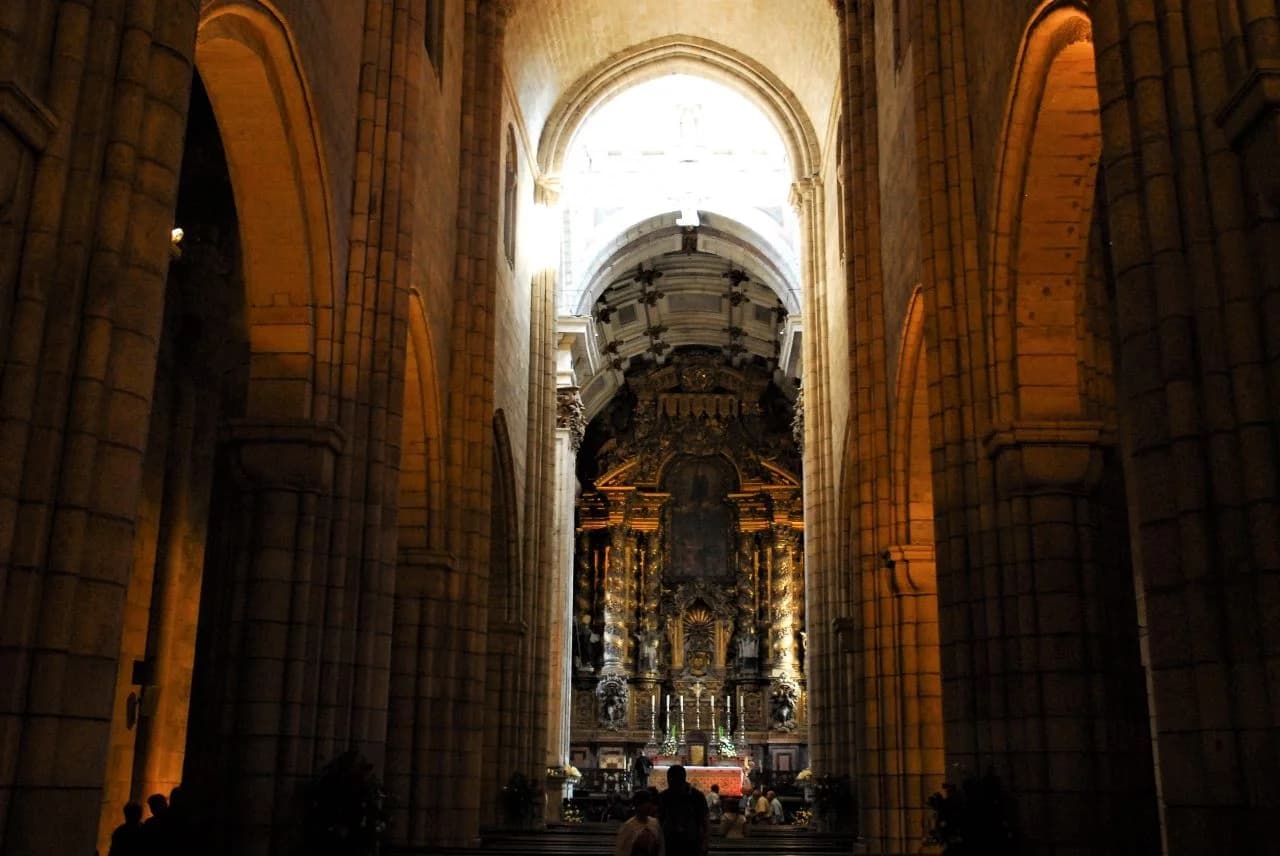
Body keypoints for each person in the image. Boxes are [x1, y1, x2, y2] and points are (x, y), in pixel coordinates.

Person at [658, 764, 709, 856]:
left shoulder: (696, 796)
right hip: (670, 841)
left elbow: (705, 820)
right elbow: (659, 820)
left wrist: (704, 842)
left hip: (691, 841)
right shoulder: (664, 796)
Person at [614, 789, 662, 856]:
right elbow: (621, 851)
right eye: (646, 802)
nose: (649, 805)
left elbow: (661, 847)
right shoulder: (628, 827)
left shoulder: (655, 822)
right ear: (637, 805)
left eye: (650, 802)